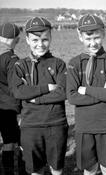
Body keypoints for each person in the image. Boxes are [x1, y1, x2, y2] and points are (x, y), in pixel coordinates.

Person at [67, 14, 106, 175]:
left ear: (103, 33)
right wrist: (103, 92)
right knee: (89, 170)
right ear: (80, 36)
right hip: (84, 127)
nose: (93, 43)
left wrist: (86, 90)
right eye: (88, 39)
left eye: (97, 37)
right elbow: (72, 97)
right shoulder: (74, 63)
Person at [12, 17, 68, 175]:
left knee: (56, 168)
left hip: (56, 124)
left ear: (50, 38)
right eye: (35, 40)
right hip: (30, 126)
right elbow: (19, 92)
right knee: (35, 170)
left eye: (45, 39)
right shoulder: (20, 65)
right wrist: (48, 87)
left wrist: (35, 98)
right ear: (27, 40)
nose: (40, 44)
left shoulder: (59, 64)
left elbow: (63, 92)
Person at [0, 22, 27, 175]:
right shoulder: (11, 58)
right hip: (10, 107)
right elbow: (16, 88)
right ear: (15, 39)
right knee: (19, 142)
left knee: (6, 142)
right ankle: (22, 171)